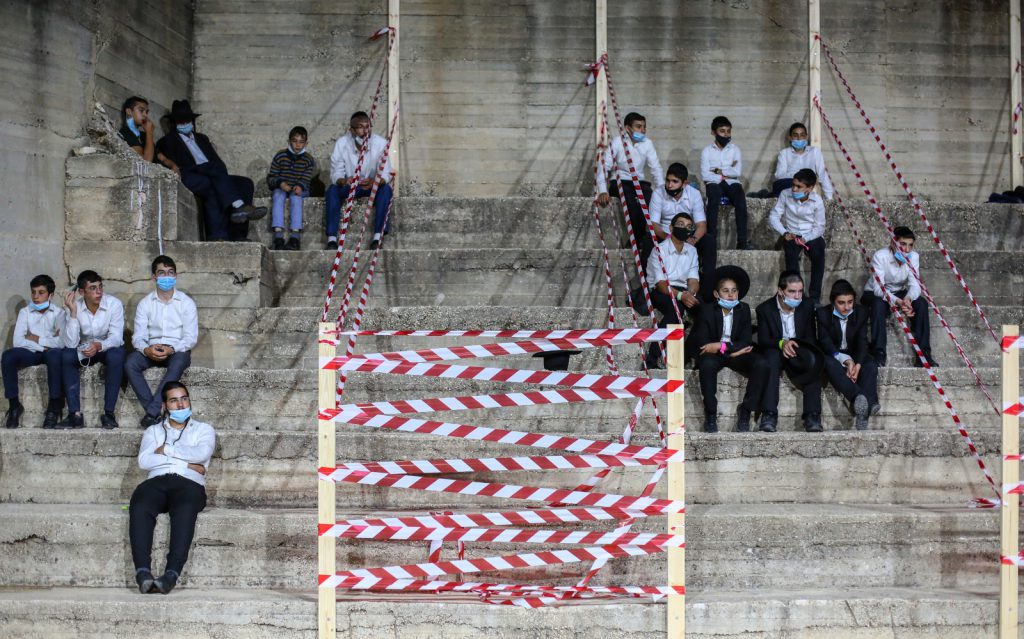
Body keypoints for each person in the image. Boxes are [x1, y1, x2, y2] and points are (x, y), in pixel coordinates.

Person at [130, 381, 214, 595]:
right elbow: (145, 461)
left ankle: (171, 575)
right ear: (164, 406)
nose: (181, 405)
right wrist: (189, 464)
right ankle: (142, 573)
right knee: (140, 503)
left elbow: (202, 454)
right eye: (174, 400)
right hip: (157, 482)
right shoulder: (153, 431)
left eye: (184, 399)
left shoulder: (204, 429)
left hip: (189, 484)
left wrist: (166, 450)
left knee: (185, 508)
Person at [155, 100, 266, 242]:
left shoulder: (202, 138)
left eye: (187, 120)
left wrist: (211, 168)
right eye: (181, 121)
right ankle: (220, 232)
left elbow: (217, 161)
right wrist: (206, 168)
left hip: (213, 173)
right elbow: (180, 166)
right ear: (174, 122)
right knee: (211, 183)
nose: (185, 123)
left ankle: (238, 235)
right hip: (190, 175)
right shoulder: (168, 141)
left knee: (245, 183)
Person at [688, 266, 766, 433]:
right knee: (707, 365)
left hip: (733, 352)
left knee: (761, 363)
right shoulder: (706, 310)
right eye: (725, 291)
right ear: (716, 294)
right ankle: (710, 415)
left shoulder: (743, 309)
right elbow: (704, 345)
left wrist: (722, 346)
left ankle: (745, 410)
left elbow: (745, 341)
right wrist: (730, 351)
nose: (731, 295)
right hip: (716, 355)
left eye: (734, 291)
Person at [126, 256, 198, 429]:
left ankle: (152, 413)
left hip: (176, 350)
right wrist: (147, 349)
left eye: (170, 273)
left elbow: (190, 338)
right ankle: (156, 412)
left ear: (175, 276)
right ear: (154, 277)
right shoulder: (145, 304)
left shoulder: (186, 303)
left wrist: (171, 349)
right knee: (130, 363)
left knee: (179, 361)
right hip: (152, 348)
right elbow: (138, 337)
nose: (167, 277)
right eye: (162, 273)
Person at [596, 112, 664, 274]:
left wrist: (663, 191)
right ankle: (636, 240)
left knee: (650, 202)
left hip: (639, 182)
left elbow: (655, 168)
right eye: (638, 127)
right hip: (621, 181)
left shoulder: (647, 144)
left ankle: (643, 239)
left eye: (644, 127)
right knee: (632, 204)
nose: (643, 130)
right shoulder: (618, 142)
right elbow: (603, 166)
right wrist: (602, 190)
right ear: (627, 128)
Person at [755, 271, 823, 432]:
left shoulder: (807, 305)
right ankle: (769, 414)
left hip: (799, 347)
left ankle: (812, 415)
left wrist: (797, 346)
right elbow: (763, 340)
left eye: (800, 291)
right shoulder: (764, 309)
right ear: (780, 291)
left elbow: (811, 338)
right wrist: (782, 343)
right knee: (770, 360)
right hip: (776, 348)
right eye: (792, 291)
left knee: (815, 360)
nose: (797, 296)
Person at [60, 270, 126, 429]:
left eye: (100, 287)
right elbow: (71, 344)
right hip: (85, 350)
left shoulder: (114, 304)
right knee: (66, 356)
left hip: (107, 348)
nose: (99, 292)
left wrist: (98, 345)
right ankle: (74, 414)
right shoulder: (74, 307)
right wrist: (73, 312)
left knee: (116, 356)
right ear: (82, 292)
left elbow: (116, 337)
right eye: (93, 288)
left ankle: (109, 414)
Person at [861, 226, 933, 367]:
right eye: (902, 244)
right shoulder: (880, 256)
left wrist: (908, 299)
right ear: (893, 243)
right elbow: (878, 289)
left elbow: (915, 285)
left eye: (910, 245)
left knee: (922, 304)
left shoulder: (914, 257)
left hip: (899, 292)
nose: (906, 249)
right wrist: (898, 302)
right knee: (878, 305)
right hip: (875, 292)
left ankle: (924, 355)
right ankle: (878, 353)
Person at [3, 275, 66, 429]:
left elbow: (62, 342)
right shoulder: (25, 312)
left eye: (41, 292)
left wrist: (36, 338)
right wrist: (44, 345)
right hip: (32, 352)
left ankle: (54, 406)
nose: (36, 296)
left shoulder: (59, 313)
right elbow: (18, 341)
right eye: (33, 292)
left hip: (51, 353)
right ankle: (14, 405)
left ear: (50, 295)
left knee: (55, 354)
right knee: (8, 356)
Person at [325, 111, 394, 250]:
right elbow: (336, 172)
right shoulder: (342, 143)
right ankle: (331, 239)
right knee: (332, 190)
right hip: (351, 187)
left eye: (367, 126)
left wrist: (375, 181)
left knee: (386, 190)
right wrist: (344, 181)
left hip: (372, 186)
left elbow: (386, 172)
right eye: (360, 127)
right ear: (351, 130)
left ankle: (377, 237)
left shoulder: (380, 143)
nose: (365, 130)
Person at [817, 279, 880, 430]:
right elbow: (825, 343)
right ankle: (863, 398)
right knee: (828, 363)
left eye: (850, 302)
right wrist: (846, 361)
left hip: (854, 352)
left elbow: (862, 342)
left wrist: (857, 365)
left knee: (870, 364)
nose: (847, 307)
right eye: (841, 303)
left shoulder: (861, 312)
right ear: (833, 302)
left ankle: (863, 411)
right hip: (833, 353)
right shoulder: (822, 314)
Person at [645, 213, 700, 369]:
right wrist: (681, 296)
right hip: (660, 291)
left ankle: (688, 356)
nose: (685, 229)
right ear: (671, 228)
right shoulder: (659, 250)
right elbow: (661, 284)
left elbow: (694, 279)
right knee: (676, 311)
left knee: (705, 312)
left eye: (689, 226)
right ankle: (652, 358)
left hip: (684, 290)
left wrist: (690, 294)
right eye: (681, 224)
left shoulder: (692, 251)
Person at [769, 168, 827, 306]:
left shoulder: (817, 200)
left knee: (818, 254)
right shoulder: (785, 194)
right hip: (791, 234)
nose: (794, 189)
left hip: (811, 235)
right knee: (790, 256)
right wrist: (784, 233)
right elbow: (773, 217)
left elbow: (820, 227)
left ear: (810, 188)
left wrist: (806, 238)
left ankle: (814, 297)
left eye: (799, 186)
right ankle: (798, 295)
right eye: (793, 185)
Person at [700, 115, 752, 261]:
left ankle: (742, 242)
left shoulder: (735, 150)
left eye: (728, 131)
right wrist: (724, 174)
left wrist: (717, 171)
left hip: (732, 182)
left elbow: (737, 172)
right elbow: (705, 175)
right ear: (713, 132)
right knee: (713, 200)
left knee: (740, 200)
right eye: (722, 131)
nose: (726, 134)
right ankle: (711, 241)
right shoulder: (706, 151)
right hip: (713, 183)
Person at [266, 126, 317, 250]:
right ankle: (278, 236)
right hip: (281, 187)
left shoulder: (308, 159)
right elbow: (271, 177)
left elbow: (306, 178)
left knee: (296, 198)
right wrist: (281, 183)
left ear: (306, 143)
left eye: (301, 142)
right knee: (278, 196)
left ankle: (295, 237)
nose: (298, 145)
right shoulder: (280, 155)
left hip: (300, 189)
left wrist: (300, 186)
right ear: (289, 141)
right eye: (294, 141)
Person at [772, 122, 834, 200]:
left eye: (802, 135)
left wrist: (829, 198)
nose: (799, 138)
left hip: (806, 186)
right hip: (788, 184)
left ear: (806, 137)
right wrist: (798, 179)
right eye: (795, 135)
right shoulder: (784, 153)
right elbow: (779, 175)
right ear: (790, 138)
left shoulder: (814, 152)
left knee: (804, 189)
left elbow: (823, 175)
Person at [648, 163, 707, 243]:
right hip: (664, 234)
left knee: (708, 240)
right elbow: (653, 224)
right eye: (667, 180)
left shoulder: (694, 194)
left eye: (675, 181)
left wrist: (693, 240)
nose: (669, 185)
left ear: (684, 183)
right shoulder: (658, 193)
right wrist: (670, 239)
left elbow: (701, 224)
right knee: (648, 239)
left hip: (687, 234)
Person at [118, 96, 177, 170]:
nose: (145, 115)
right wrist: (149, 132)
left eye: (146, 112)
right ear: (129, 111)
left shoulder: (144, 135)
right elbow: (145, 163)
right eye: (141, 110)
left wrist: (173, 166)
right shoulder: (125, 133)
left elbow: (163, 159)